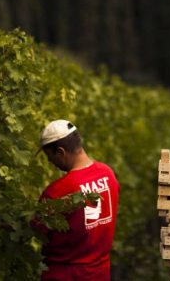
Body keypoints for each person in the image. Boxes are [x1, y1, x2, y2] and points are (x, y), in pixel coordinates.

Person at [32, 119, 120, 281]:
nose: (50, 162)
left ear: (61, 152)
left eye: (49, 156)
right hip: (100, 274)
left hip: (65, 276)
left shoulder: (56, 192)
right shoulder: (108, 174)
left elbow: (37, 232)